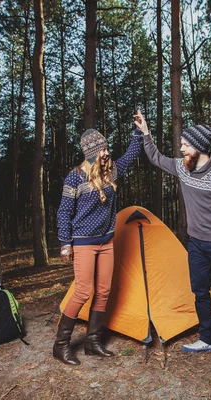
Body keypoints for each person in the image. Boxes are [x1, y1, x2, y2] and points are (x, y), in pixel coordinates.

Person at [134, 110, 211, 359]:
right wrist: (146, 133)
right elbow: (156, 158)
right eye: (182, 144)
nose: (181, 149)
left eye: (186, 145)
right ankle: (206, 339)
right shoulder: (182, 167)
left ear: (200, 148)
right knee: (200, 291)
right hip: (196, 244)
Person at [54, 124, 143, 365]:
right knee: (83, 291)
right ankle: (60, 345)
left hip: (106, 242)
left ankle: (93, 342)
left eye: (106, 148)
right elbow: (64, 212)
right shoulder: (74, 178)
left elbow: (131, 154)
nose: (106, 153)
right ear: (90, 153)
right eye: (101, 150)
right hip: (83, 243)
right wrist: (65, 243)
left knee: (103, 291)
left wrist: (138, 131)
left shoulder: (109, 174)